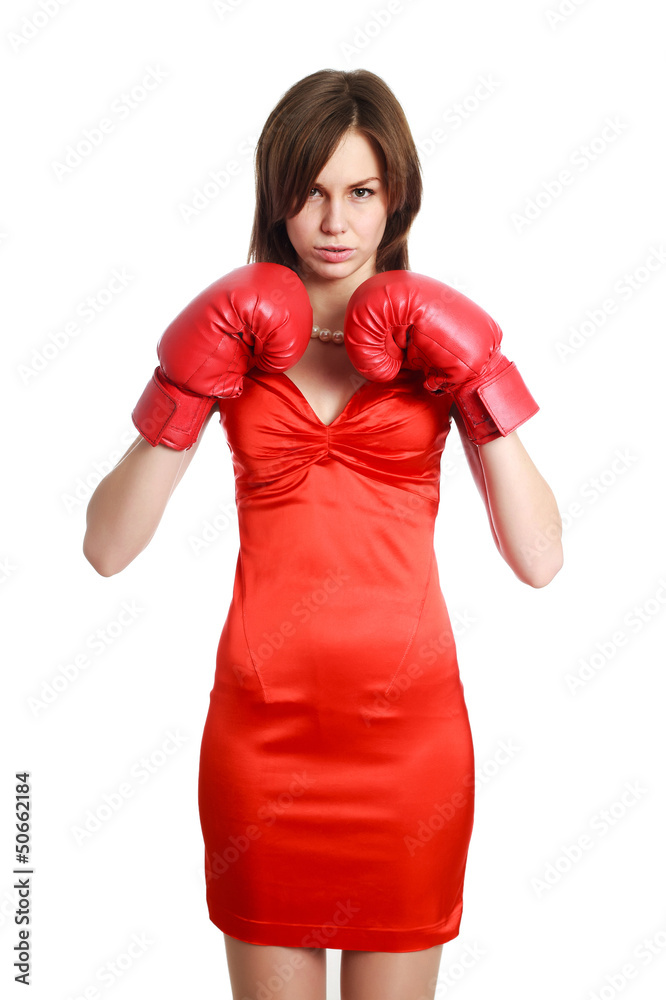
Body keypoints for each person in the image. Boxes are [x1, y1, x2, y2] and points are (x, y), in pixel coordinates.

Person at [83, 68, 563, 1000]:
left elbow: (541, 560)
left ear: (398, 198)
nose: (333, 222)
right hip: (263, 749)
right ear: (276, 199)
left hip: (409, 753)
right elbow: (106, 547)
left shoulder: (435, 342)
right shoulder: (241, 339)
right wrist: (183, 390)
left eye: (360, 192)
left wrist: (480, 377)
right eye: (307, 193)